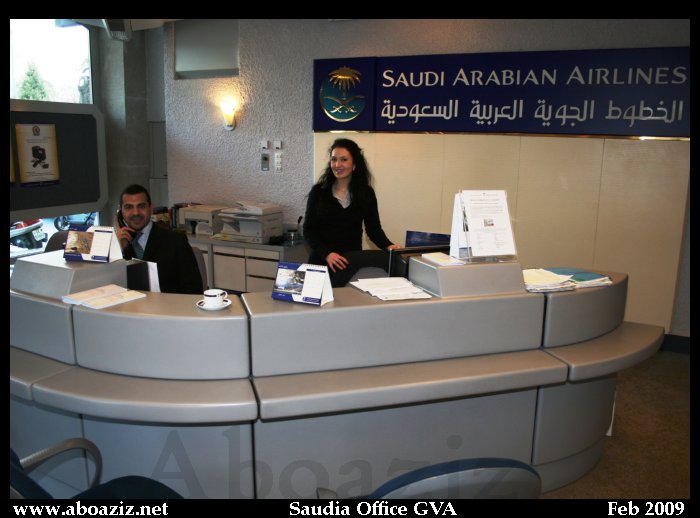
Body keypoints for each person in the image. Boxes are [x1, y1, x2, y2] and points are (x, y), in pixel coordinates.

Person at [303, 138, 401, 287]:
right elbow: (309, 231)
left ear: (354, 164)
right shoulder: (318, 192)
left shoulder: (366, 193)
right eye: (334, 159)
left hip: (350, 264)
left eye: (344, 160)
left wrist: (389, 246)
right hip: (321, 261)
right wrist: (327, 254)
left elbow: (373, 230)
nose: (337, 165)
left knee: (346, 301)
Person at [116, 184, 203, 295]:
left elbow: (194, 291)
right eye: (129, 207)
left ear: (150, 208)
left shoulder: (175, 241)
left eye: (141, 206)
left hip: (169, 305)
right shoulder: (119, 245)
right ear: (121, 211)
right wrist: (120, 250)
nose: (136, 212)